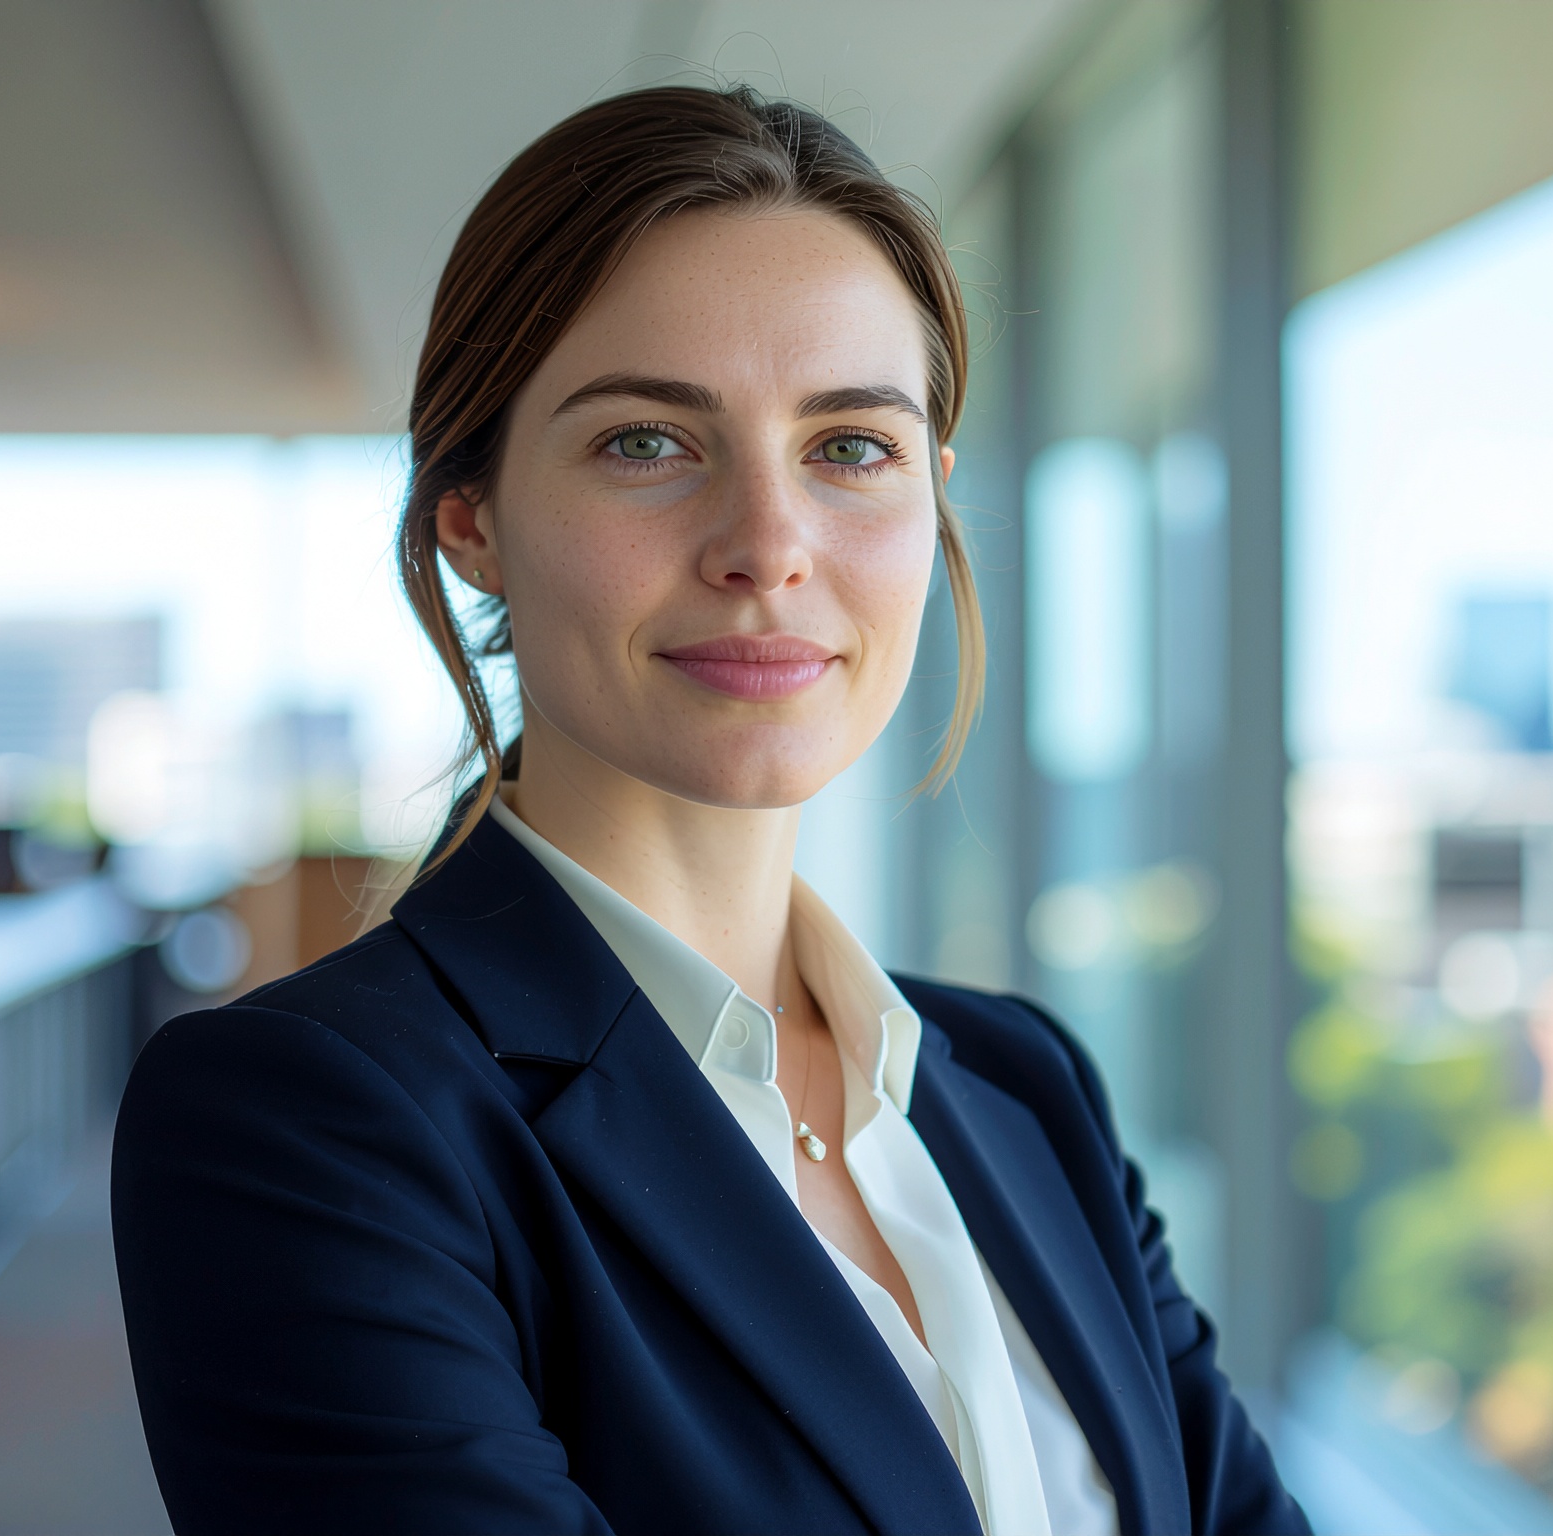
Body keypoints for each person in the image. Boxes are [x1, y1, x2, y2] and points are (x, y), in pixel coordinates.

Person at [112, 84, 1307, 1536]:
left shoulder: (1024, 1086)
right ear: (471, 516)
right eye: (644, 442)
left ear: (932, 501)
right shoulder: (311, 1122)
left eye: (849, 447)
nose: (767, 545)